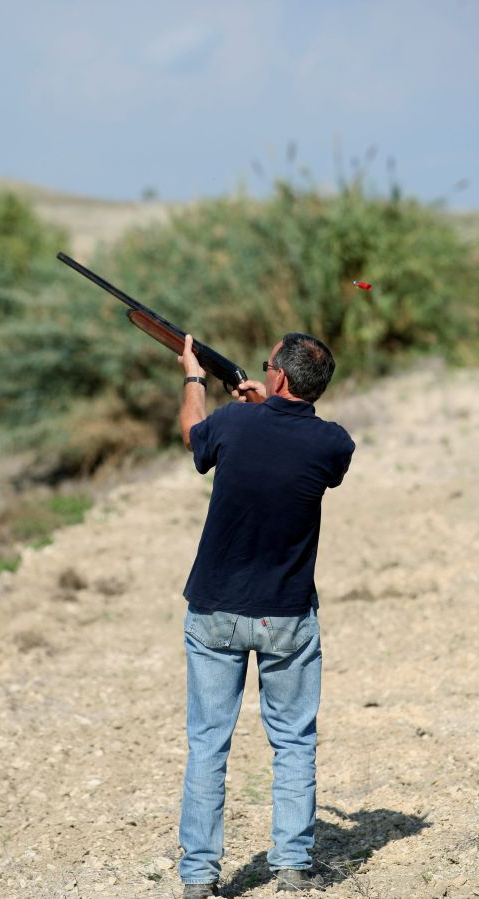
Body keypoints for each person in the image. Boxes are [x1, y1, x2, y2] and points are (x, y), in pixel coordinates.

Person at [176, 332, 355, 897]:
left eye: (267, 365)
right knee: (294, 741)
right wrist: (267, 405)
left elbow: (192, 436)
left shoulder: (232, 423)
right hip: (287, 616)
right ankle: (293, 866)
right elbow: (293, 441)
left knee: (209, 743)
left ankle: (200, 877)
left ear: (276, 376)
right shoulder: (334, 444)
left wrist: (193, 378)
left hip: (215, 609)